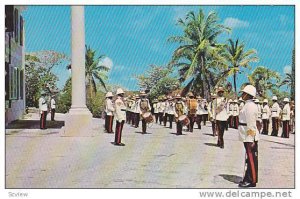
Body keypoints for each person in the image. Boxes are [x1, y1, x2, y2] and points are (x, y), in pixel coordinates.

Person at [238, 85, 259, 188]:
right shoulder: (247, 105)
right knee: (249, 158)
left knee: (251, 159)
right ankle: (248, 177)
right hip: (246, 134)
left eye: (243, 93)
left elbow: (251, 123)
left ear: (247, 95)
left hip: (249, 135)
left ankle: (251, 180)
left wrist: (251, 139)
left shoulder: (250, 106)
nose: (242, 95)